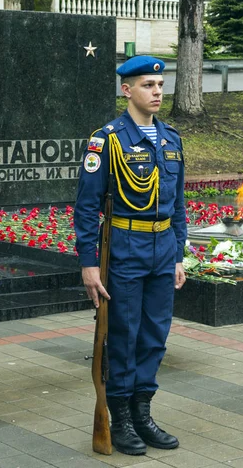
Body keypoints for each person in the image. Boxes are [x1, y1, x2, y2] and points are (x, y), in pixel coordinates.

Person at [74, 55, 188, 456]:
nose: (157, 92)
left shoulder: (172, 139)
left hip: (163, 252)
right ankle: (119, 416)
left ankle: (143, 413)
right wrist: (89, 264)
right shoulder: (106, 141)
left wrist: (178, 254)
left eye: (159, 85)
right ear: (127, 90)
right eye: (147, 85)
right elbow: (87, 207)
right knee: (123, 335)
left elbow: (177, 204)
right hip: (124, 249)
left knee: (155, 336)